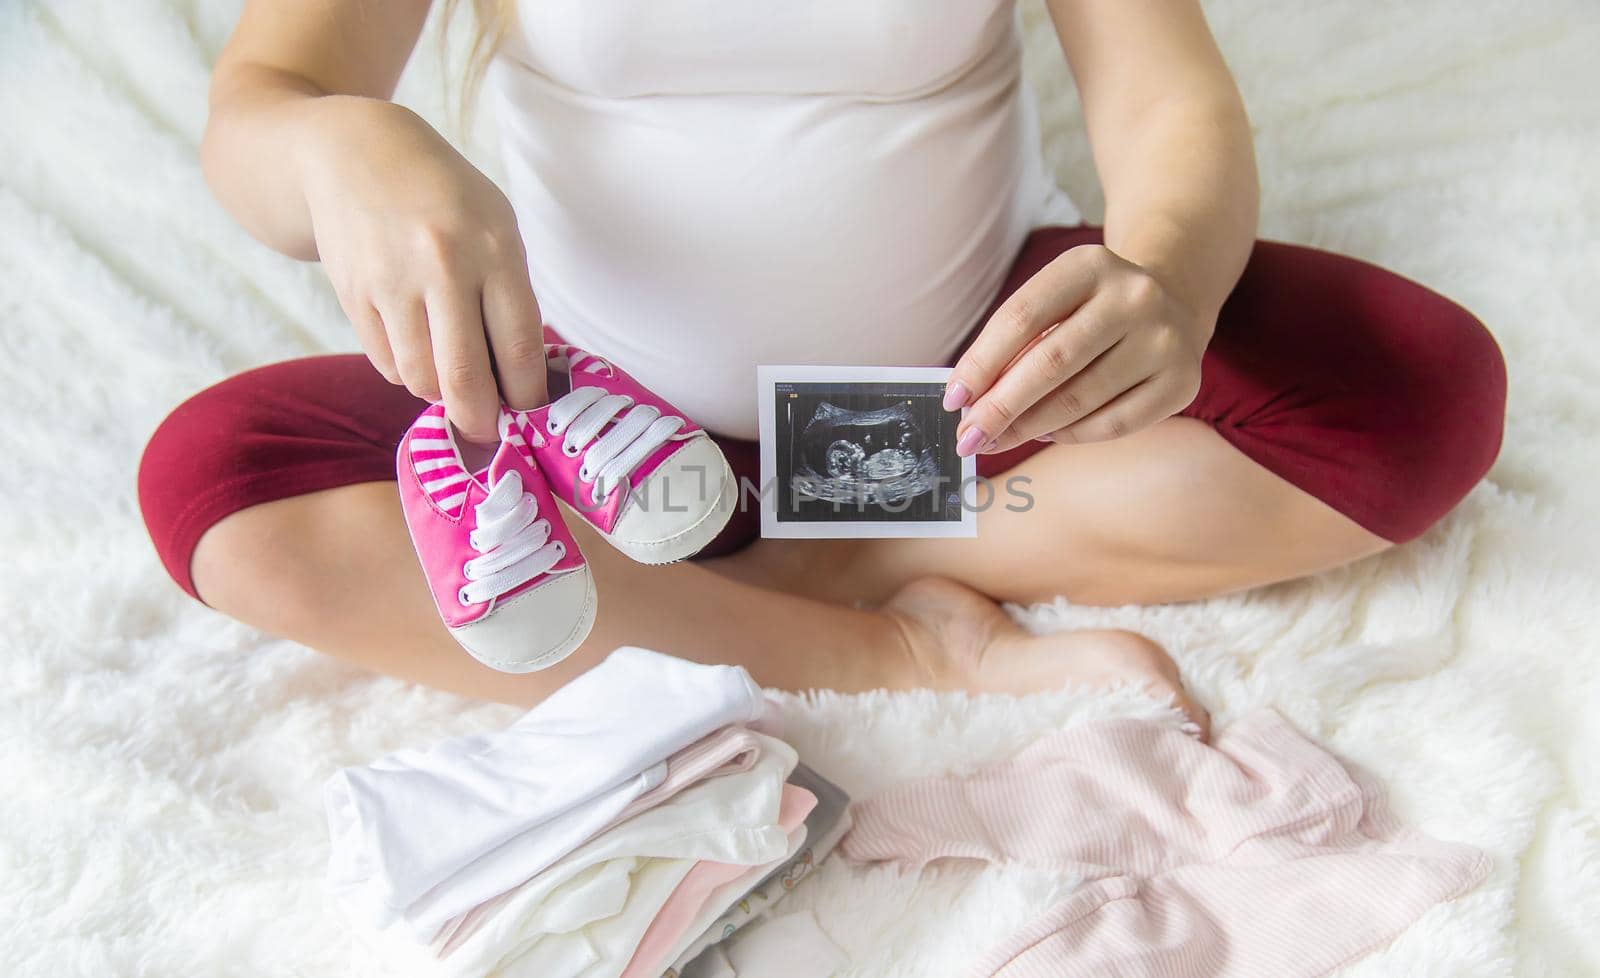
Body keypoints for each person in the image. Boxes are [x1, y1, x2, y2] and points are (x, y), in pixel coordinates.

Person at [138, 0, 1507, 737]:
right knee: (221, 485)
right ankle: (893, 645)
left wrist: (1169, 280)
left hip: (951, 413)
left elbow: (1165, 92)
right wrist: (330, 149)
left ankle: (808, 556)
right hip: (598, 437)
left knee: (1416, 390)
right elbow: (264, 101)